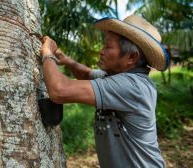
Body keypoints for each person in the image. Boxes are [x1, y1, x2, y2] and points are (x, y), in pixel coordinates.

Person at [40, 15, 169, 168]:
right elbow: (87, 74)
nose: (101, 51)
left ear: (132, 57)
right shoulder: (118, 75)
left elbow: (59, 91)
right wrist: (67, 60)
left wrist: (47, 54)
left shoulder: (132, 86)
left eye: (108, 47)